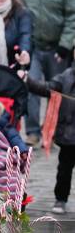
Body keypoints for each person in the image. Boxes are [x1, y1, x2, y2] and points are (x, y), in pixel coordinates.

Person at [20, 0, 75, 146]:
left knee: (56, 92)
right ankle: (33, 131)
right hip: (33, 48)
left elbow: (72, 17)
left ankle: (52, 132)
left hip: (57, 49)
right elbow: (21, 18)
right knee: (31, 87)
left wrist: (65, 45)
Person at [27, 57, 75, 214]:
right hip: (69, 136)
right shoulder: (66, 76)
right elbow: (47, 88)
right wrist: (27, 80)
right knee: (64, 171)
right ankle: (60, 199)